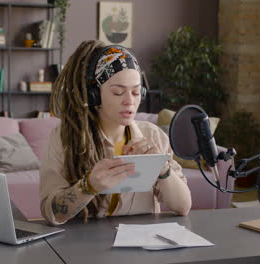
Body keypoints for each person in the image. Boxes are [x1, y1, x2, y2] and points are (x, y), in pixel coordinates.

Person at [40, 40, 191, 226]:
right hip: (84, 249)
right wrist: (88, 187)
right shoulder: (63, 138)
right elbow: (52, 213)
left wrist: (163, 169)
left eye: (136, 93)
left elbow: (183, 207)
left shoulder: (153, 135)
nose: (129, 101)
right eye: (118, 92)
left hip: (143, 248)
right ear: (94, 94)